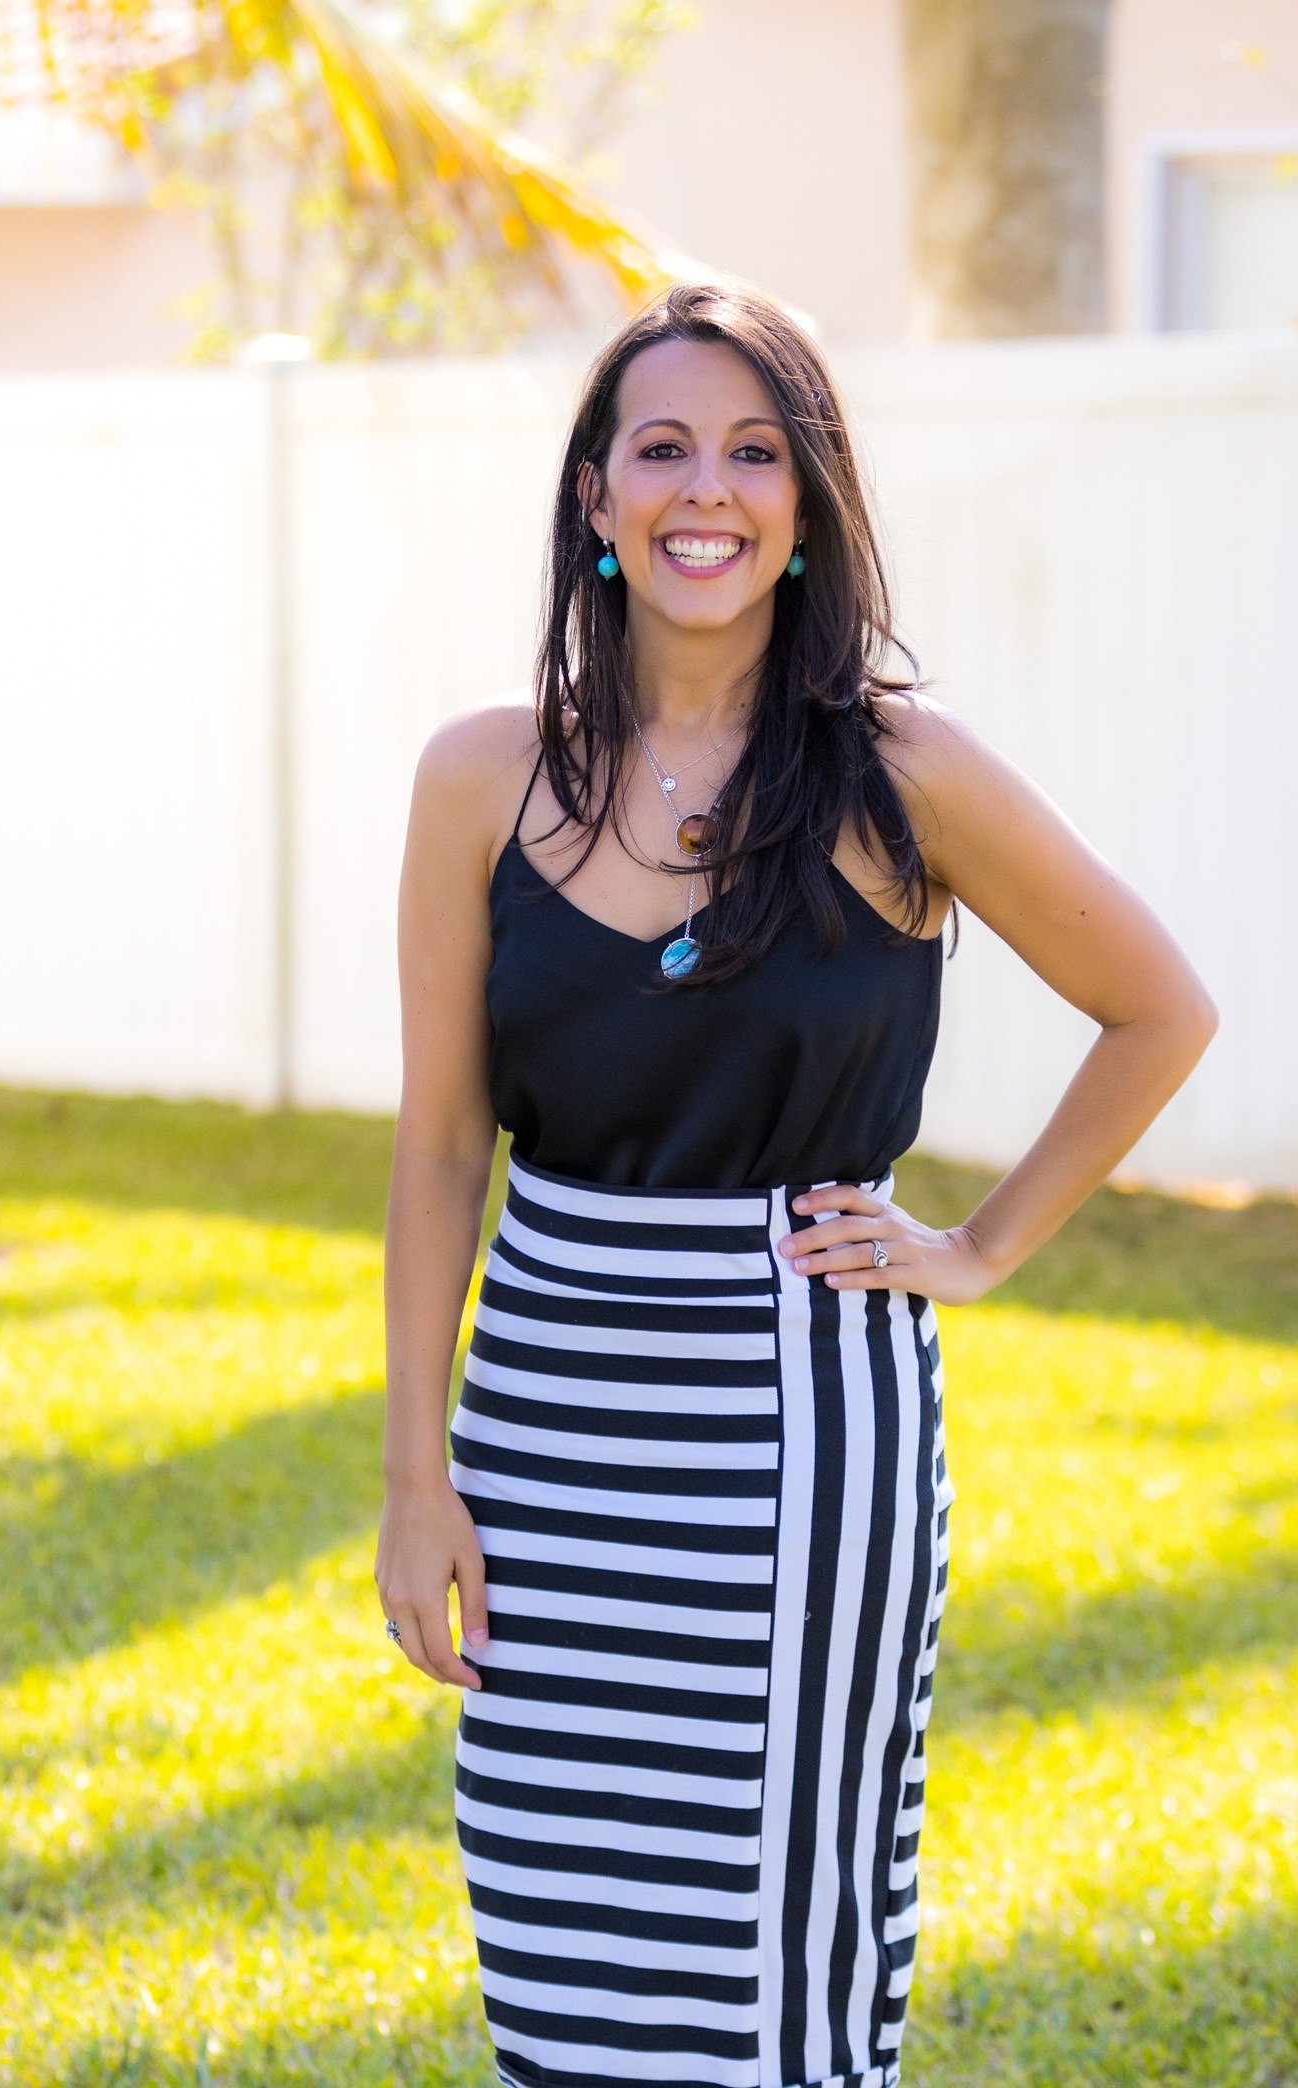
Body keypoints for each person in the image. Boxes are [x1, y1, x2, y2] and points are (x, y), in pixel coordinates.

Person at [375, 281, 1216, 2088]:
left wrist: (978, 1246)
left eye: (757, 453)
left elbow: (1160, 1009)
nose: (709, 490)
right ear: (596, 496)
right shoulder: (478, 779)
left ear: (808, 505)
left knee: (782, 1957)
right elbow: (443, 1143)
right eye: (664, 447)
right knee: (560, 1938)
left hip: (800, 1438)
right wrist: (414, 1477)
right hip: (546, 1431)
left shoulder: (902, 772)